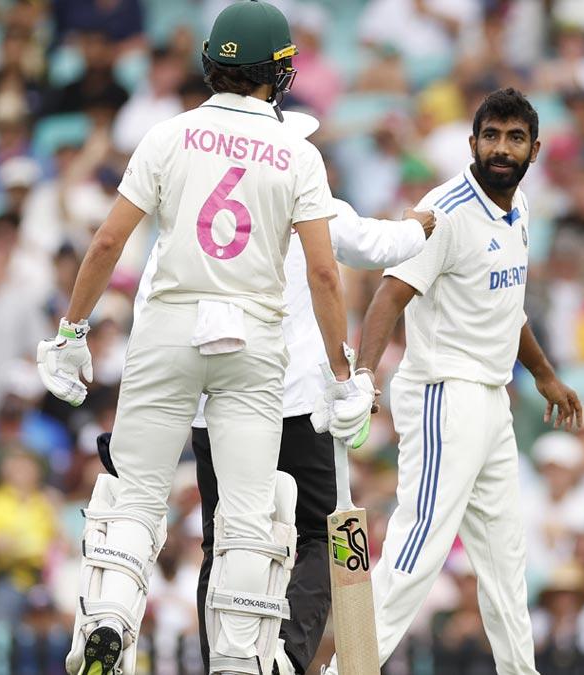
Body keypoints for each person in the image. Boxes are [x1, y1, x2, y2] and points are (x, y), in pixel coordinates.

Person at [35, 3, 373, 674]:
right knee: (249, 518)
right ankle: (241, 660)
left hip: (168, 331)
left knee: (136, 493)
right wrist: (343, 373)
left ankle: (109, 617)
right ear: (278, 75)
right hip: (252, 341)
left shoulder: (168, 134)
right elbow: (326, 273)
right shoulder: (297, 153)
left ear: (211, 64)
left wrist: (72, 331)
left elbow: (108, 240)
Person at [102, 109, 437, 675]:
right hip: (297, 402)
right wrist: (422, 224)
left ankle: (225, 664)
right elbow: (377, 245)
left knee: (223, 540)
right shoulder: (306, 196)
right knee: (318, 536)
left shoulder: (190, 213)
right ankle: (283, 657)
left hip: (215, 403)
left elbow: (154, 306)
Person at [327, 87, 584, 675]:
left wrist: (544, 374)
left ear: (534, 149)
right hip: (445, 391)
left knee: (505, 562)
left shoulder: (520, 211)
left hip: (491, 398)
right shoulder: (444, 210)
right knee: (418, 549)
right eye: (490, 135)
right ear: (472, 142)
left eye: (514, 137)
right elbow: (389, 297)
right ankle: (346, 670)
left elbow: (507, 306)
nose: (501, 148)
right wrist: (365, 378)